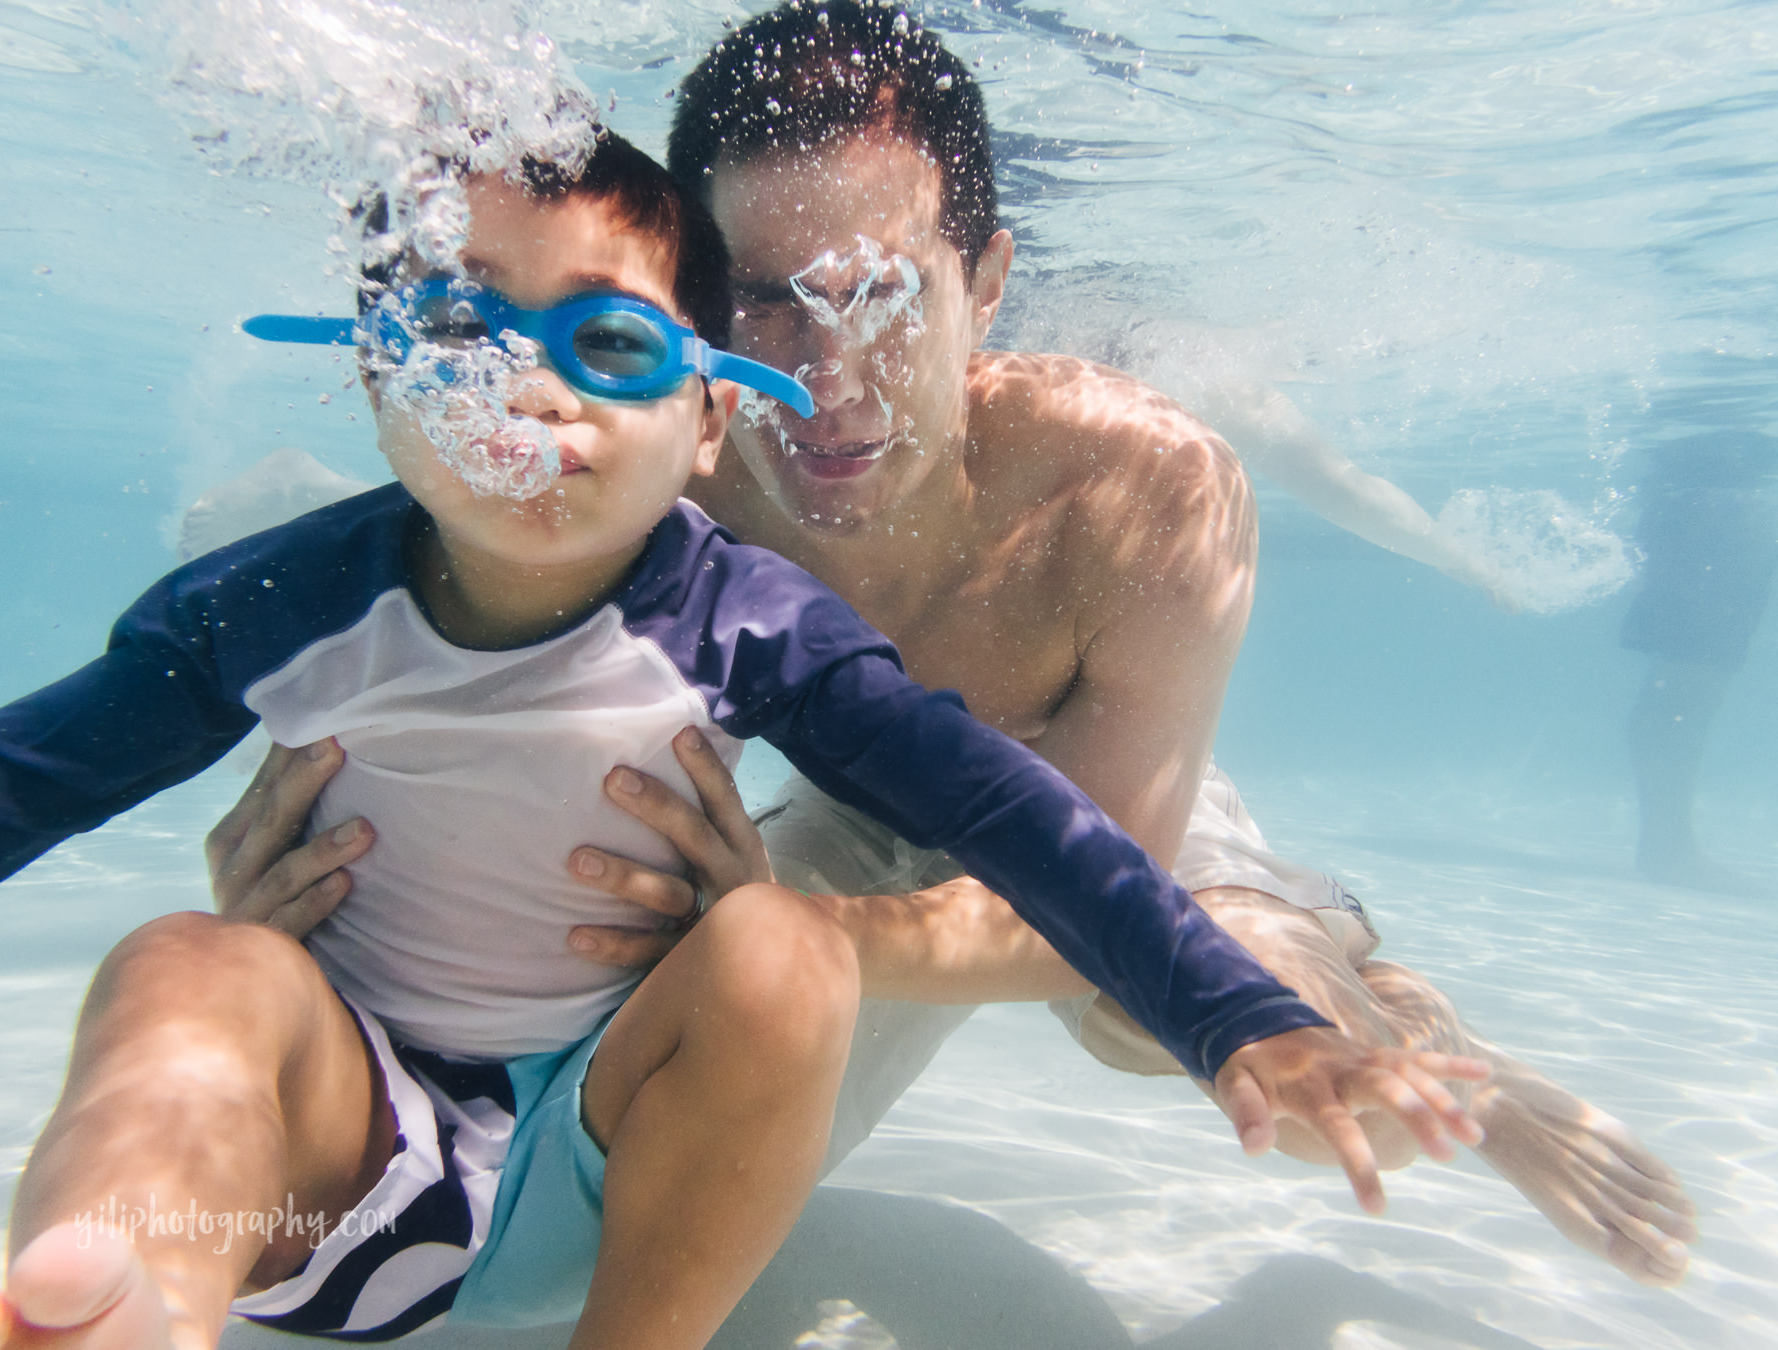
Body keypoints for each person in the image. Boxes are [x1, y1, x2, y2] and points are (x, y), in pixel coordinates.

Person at [194, 0, 1697, 1291]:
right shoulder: (672, 458)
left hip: (1095, 808)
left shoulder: (1142, 491)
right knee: (620, 1101)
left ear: (986, 281)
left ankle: (1444, 1063)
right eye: (767, 306)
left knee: (1190, 1036)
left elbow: (1091, 911)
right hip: (859, 800)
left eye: (885, 296)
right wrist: (296, 860)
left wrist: (789, 944)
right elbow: (430, 666)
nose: (827, 380)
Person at [0, 132, 1484, 1350]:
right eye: (453, 330)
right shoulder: (271, 602)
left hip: (621, 1179)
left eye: (612, 342)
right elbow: (22, 777)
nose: (528, 385)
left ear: (705, 422)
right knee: (192, 964)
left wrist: (1233, 1013)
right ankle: (115, 1296)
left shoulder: (749, 616)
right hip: (335, 1174)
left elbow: (1019, 822)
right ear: (376, 370)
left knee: (781, 945)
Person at [1621, 428, 1776, 891]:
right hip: (1721, 491)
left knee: (1690, 674)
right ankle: (1669, 849)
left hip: (1713, 482)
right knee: (1693, 675)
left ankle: (1667, 846)